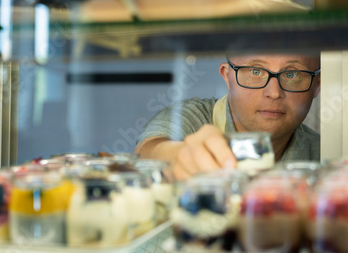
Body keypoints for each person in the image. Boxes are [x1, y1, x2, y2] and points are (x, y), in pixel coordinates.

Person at [134, 52, 321, 180]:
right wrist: (182, 156)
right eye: (255, 71)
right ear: (227, 76)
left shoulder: (324, 153)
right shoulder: (192, 118)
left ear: (317, 85)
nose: (273, 92)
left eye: (292, 74)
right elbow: (148, 152)